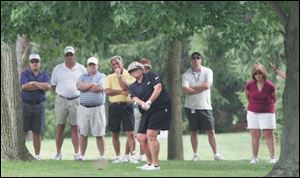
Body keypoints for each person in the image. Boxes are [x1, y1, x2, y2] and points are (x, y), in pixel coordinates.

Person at [128, 61, 171, 171]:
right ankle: (149, 163)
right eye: (132, 70)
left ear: (142, 69)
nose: (135, 71)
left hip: (160, 108)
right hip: (146, 111)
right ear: (130, 73)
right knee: (141, 137)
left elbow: (158, 88)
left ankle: (156, 165)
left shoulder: (151, 76)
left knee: (151, 135)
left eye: (137, 69)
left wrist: (149, 101)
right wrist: (142, 103)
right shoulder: (132, 86)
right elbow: (134, 98)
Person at [182, 52, 223, 161]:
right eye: (194, 58)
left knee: (210, 131)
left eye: (198, 58)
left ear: (201, 60)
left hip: (205, 107)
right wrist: (199, 88)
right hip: (191, 107)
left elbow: (207, 85)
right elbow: (185, 90)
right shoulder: (186, 75)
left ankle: (216, 154)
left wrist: (193, 88)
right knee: (194, 131)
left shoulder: (208, 71)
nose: (196, 60)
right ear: (191, 60)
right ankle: (195, 154)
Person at [51, 46, 87, 160]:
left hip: (77, 99)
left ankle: (77, 154)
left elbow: (86, 84)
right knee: (60, 126)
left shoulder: (81, 69)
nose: (69, 57)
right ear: (64, 56)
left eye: (71, 54)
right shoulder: (57, 68)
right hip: (61, 99)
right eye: (67, 55)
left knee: (75, 127)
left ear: (74, 55)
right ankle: (58, 153)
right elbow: (53, 86)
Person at [104, 55, 138, 164]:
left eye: (117, 63)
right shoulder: (109, 77)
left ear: (122, 63)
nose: (115, 66)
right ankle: (118, 157)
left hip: (127, 105)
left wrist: (119, 77)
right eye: (113, 64)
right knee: (115, 133)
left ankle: (130, 156)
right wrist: (120, 92)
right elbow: (108, 91)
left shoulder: (130, 75)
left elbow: (127, 88)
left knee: (130, 133)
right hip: (114, 106)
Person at [20, 53, 51, 160]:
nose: (34, 63)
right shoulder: (25, 74)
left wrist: (33, 83)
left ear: (39, 63)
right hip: (26, 105)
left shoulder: (45, 75)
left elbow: (47, 87)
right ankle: (21, 153)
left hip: (39, 106)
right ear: (29, 63)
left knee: (37, 131)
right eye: (32, 61)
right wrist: (39, 85)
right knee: (23, 130)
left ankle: (37, 155)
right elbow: (24, 86)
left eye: (36, 61)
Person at [245, 63, 277, 164]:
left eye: (260, 73)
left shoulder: (270, 86)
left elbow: (274, 98)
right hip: (252, 113)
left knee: (268, 134)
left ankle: (272, 157)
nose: (258, 75)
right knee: (254, 134)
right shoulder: (250, 85)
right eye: (255, 73)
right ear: (253, 75)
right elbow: (248, 97)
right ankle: (254, 157)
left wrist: (266, 107)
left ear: (263, 73)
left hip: (267, 112)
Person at [76, 57, 106, 160]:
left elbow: (99, 88)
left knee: (99, 133)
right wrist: (92, 84)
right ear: (87, 66)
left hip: (97, 108)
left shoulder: (102, 76)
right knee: (83, 133)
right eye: (90, 65)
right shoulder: (82, 76)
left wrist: (86, 87)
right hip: (84, 108)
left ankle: (102, 156)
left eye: (94, 65)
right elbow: (79, 86)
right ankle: (82, 155)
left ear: (97, 66)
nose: (92, 66)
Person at [132, 58, 153, 162]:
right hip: (138, 109)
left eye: (147, 68)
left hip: (151, 110)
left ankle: (148, 157)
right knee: (139, 133)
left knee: (150, 134)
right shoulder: (136, 80)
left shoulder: (153, 80)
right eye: (143, 68)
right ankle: (141, 154)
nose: (145, 70)